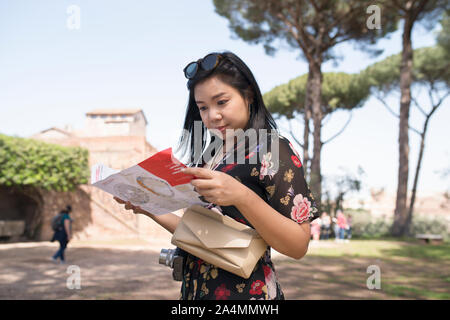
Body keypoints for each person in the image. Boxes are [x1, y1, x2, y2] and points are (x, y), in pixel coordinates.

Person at [114, 51, 320, 300]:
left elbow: (298, 246)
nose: (212, 115)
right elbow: (200, 235)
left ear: (249, 95)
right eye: (203, 107)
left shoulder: (273, 149)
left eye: (221, 102)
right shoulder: (210, 155)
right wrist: (149, 207)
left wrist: (242, 195)